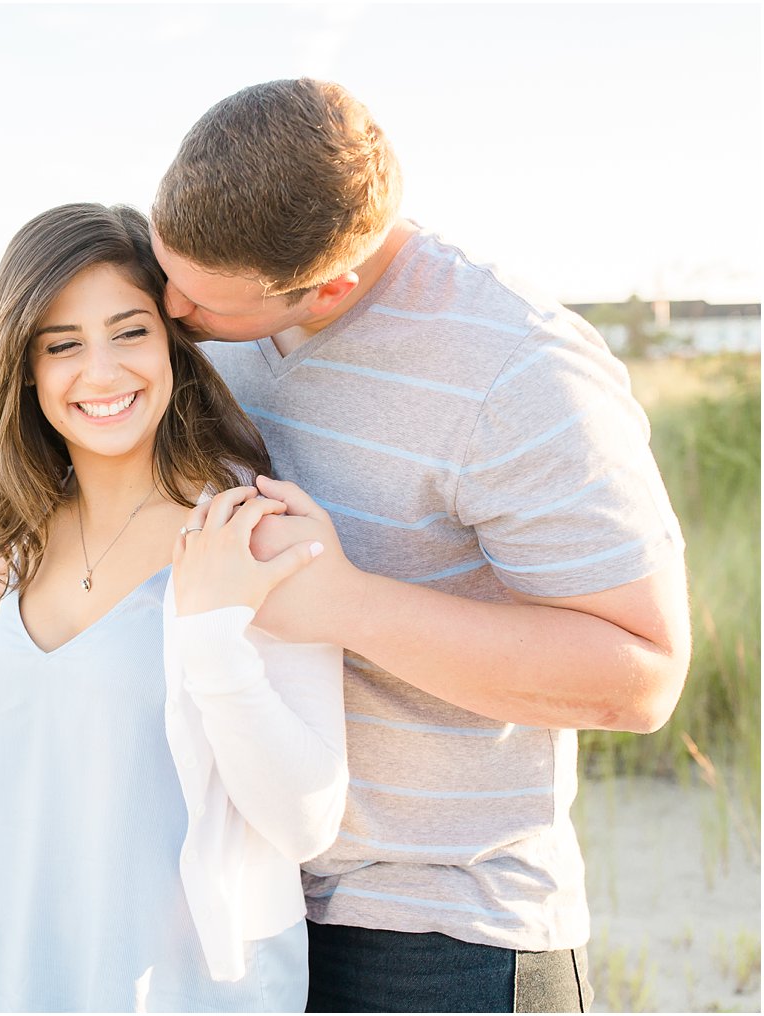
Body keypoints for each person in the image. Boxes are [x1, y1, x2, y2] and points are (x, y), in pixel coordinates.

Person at [148, 78, 692, 1012]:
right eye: (166, 271)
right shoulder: (219, 318)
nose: (169, 309)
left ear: (331, 286)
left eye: (200, 300)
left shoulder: (517, 367)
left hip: (443, 935)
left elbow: (641, 675)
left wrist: (343, 603)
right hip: (248, 905)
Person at [0, 202, 348, 1012]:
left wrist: (212, 640)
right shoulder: (21, 539)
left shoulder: (247, 533)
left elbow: (309, 822)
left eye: (129, 331)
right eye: (62, 345)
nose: (100, 372)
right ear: (25, 369)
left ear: (172, 342)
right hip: (7, 987)